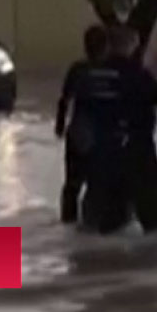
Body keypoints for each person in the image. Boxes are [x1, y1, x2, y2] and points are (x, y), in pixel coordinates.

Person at [89, 25, 157, 234]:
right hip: (137, 148)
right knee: (153, 214)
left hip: (103, 151)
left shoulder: (95, 73)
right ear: (131, 46)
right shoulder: (135, 74)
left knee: (110, 215)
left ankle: (107, 259)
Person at [55, 24, 110, 225]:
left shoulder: (78, 69)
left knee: (73, 184)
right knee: (94, 183)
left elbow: (64, 100)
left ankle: (69, 225)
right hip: (99, 135)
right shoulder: (109, 71)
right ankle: (87, 224)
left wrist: (60, 126)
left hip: (80, 133)